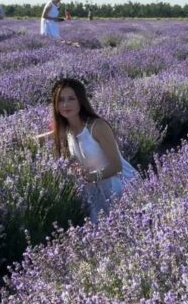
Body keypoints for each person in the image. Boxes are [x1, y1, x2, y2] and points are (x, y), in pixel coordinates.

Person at [33, 78, 138, 222]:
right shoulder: (66, 130)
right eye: (61, 100)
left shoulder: (97, 127)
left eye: (71, 99)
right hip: (94, 190)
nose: (66, 104)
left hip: (120, 185)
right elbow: (34, 140)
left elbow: (117, 166)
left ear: (81, 101)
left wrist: (91, 177)